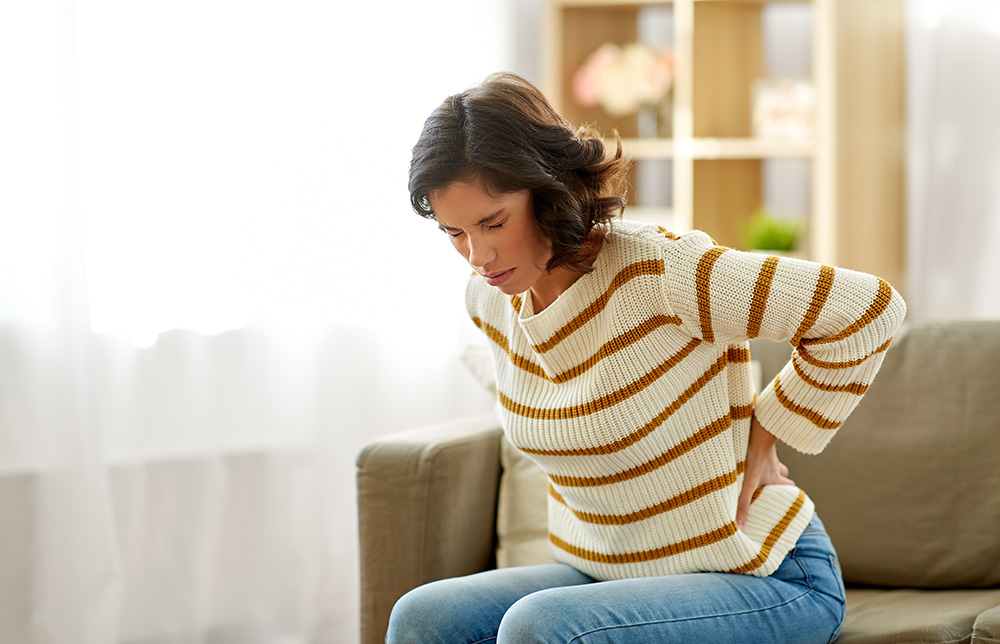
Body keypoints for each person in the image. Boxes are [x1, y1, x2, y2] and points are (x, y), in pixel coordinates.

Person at [388, 72, 906, 644]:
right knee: (422, 617)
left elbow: (867, 309)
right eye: (454, 232)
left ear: (548, 189)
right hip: (607, 575)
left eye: (494, 223)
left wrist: (767, 431)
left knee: (540, 628)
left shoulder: (661, 272)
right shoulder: (490, 298)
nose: (477, 256)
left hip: (763, 573)